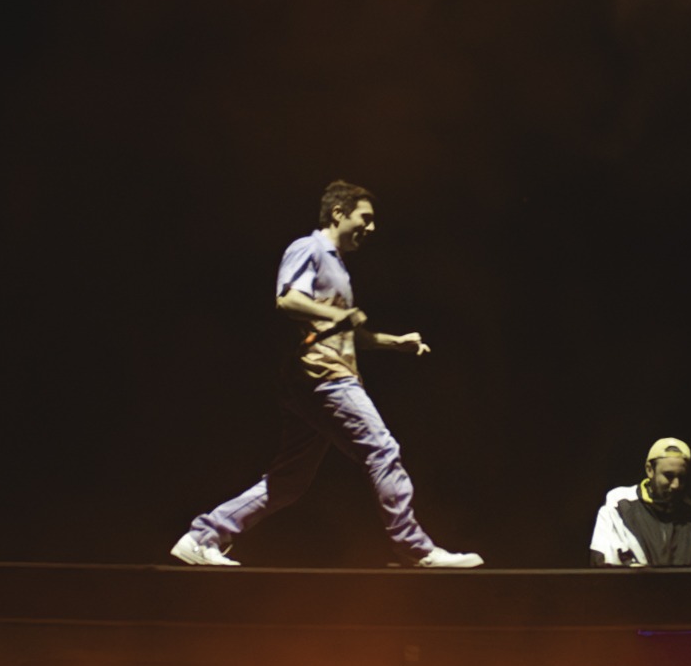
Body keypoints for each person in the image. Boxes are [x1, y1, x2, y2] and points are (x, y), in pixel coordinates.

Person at [174, 180, 482, 568]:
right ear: (339, 213)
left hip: (317, 378)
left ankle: (202, 537)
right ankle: (414, 548)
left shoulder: (337, 265)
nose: (371, 228)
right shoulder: (309, 248)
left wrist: (395, 343)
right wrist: (338, 314)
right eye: (365, 218)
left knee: (288, 481)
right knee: (382, 449)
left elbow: (345, 331)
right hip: (322, 375)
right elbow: (287, 299)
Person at [591, 437, 691, 569]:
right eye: (669, 476)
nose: (676, 485)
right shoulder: (619, 507)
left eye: (681, 477)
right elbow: (605, 572)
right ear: (649, 470)